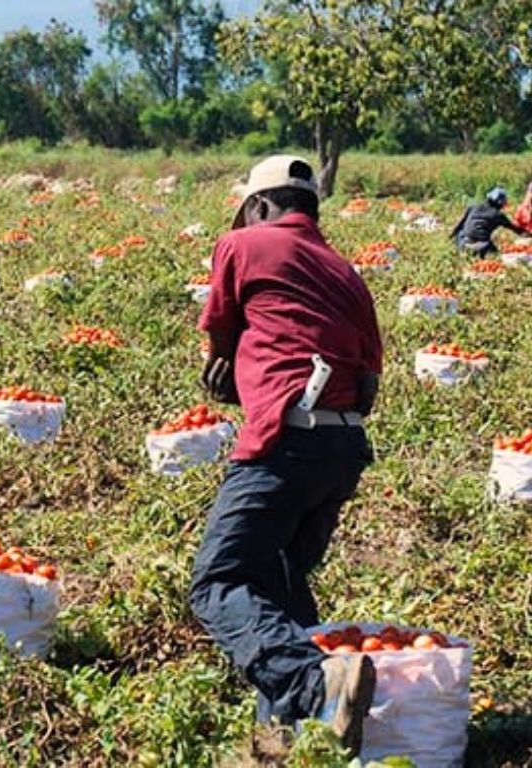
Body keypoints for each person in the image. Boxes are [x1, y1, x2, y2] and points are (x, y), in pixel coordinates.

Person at [188, 155, 383, 755]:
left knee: (218, 581)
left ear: (259, 206)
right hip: (342, 446)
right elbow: (369, 387)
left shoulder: (244, 245)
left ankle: (314, 684)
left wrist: (233, 375)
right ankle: (288, 737)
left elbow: (219, 350)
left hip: (285, 440)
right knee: (278, 581)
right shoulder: (347, 273)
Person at [450, 187, 530, 256]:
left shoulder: (473, 207)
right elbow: (516, 229)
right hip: (482, 246)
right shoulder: (498, 215)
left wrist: (450, 237)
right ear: (500, 203)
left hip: (463, 243)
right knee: (495, 252)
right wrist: (529, 234)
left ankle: (464, 251)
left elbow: (459, 225)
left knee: (461, 233)